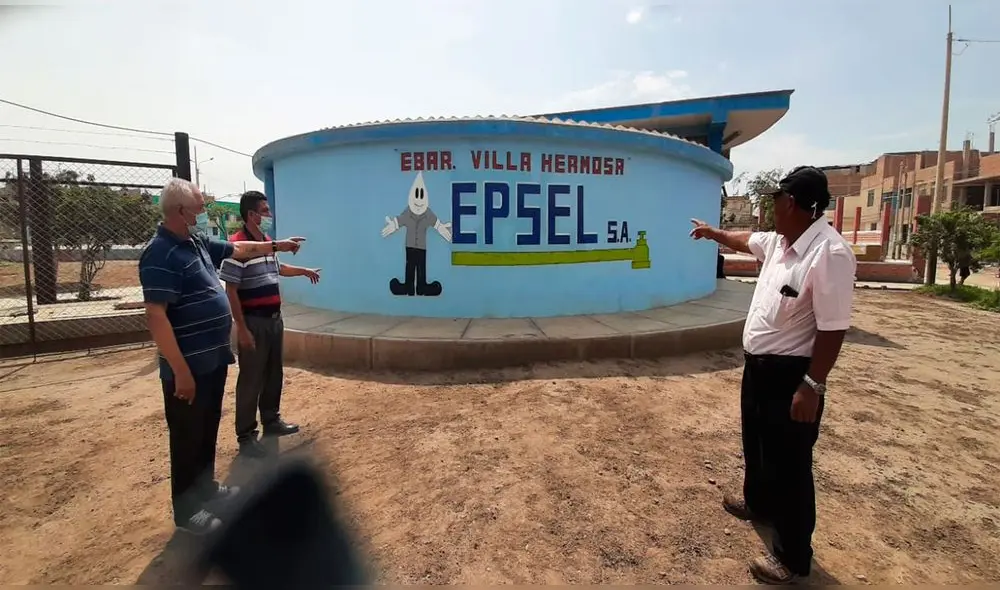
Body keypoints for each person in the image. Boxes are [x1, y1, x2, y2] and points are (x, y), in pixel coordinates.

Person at [689, 166, 857, 584]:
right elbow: (745, 239)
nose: (771, 206)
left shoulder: (828, 254)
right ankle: (758, 503)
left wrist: (812, 385)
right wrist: (713, 233)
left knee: (791, 465)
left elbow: (833, 327)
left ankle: (792, 555)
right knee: (757, 443)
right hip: (759, 367)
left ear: (794, 204)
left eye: (776, 199)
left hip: (792, 375)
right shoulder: (783, 242)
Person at [139, 178, 306, 535]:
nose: (204, 212)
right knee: (186, 438)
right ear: (181, 212)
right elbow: (156, 316)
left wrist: (277, 245)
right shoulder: (160, 252)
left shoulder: (195, 242)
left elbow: (240, 250)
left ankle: (207, 489)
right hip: (188, 367)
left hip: (212, 361)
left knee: (206, 430)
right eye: (200, 207)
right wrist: (180, 371)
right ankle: (187, 511)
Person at [220, 191, 321, 458]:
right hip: (253, 322)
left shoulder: (266, 243)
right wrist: (240, 328)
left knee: (274, 373)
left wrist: (304, 270)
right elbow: (231, 289)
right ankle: (246, 435)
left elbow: (277, 268)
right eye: (265, 211)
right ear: (252, 215)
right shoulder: (237, 246)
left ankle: (271, 421)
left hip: (274, 321)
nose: (269, 215)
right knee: (251, 379)